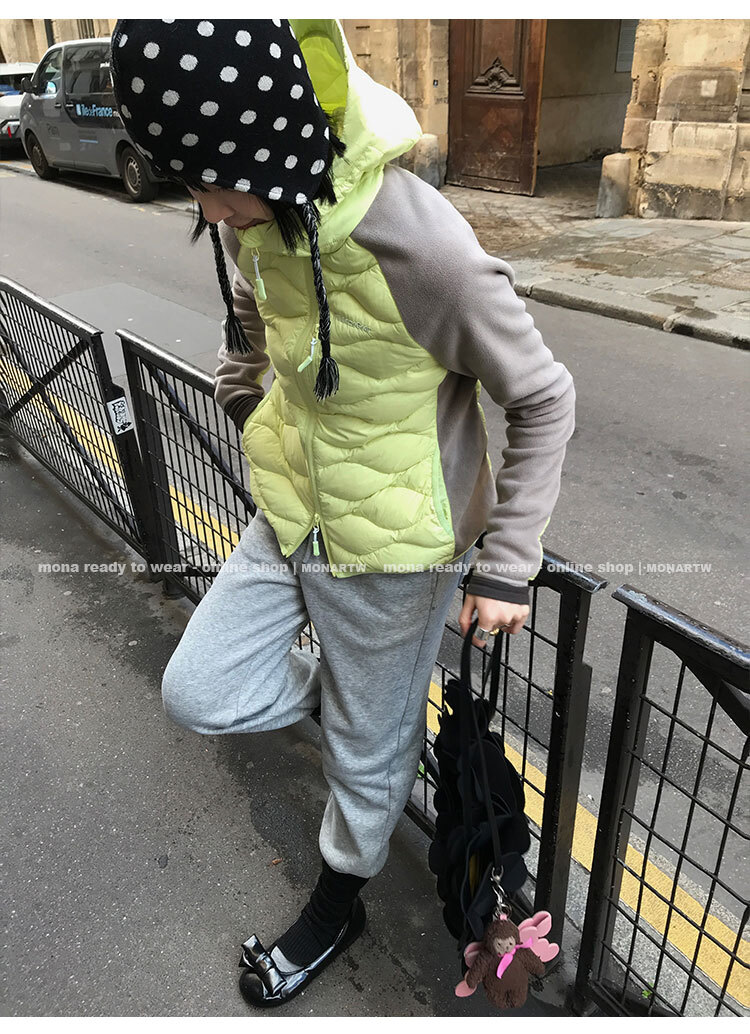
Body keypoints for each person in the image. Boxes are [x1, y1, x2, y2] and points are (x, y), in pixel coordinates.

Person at [110, 18, 575, 1009]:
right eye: (191, 180)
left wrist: (507, 566)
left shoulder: (425, 251)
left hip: (396, 552)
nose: (205, 206)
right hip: (292, 512)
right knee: (198, 689)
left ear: (267, 141)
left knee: (366, 762)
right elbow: (254, 331)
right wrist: (247, 403)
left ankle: (335, 905)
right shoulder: (256, 219)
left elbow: (543, 395)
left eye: (209, 177)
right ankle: (375, 717)